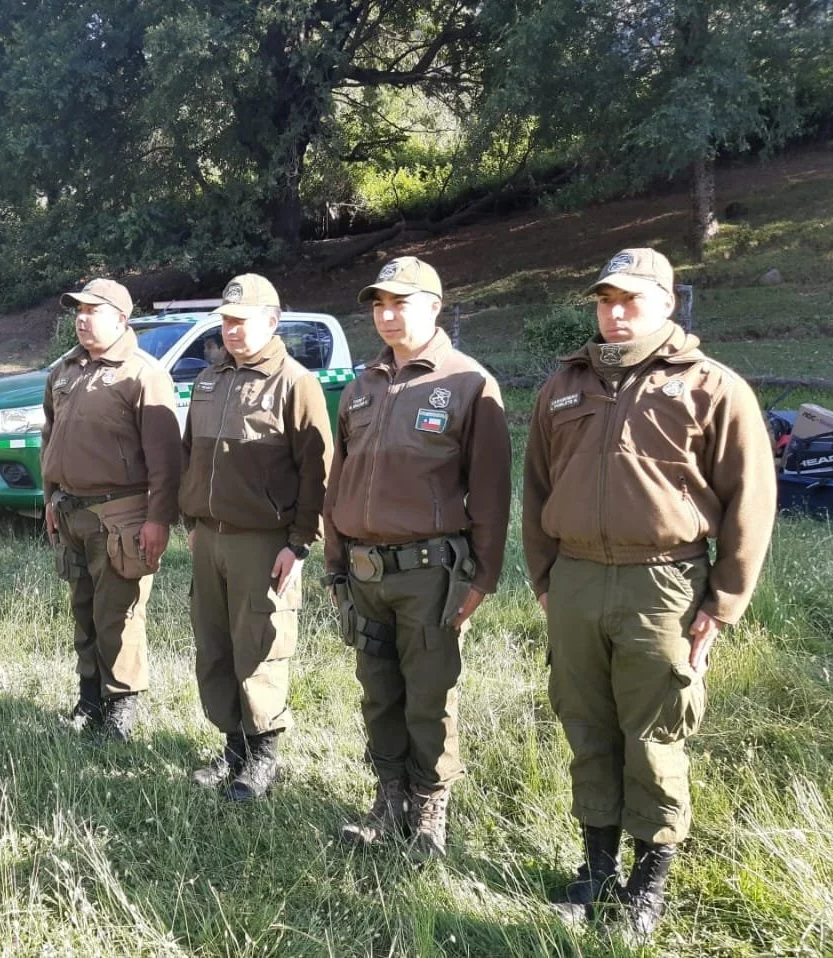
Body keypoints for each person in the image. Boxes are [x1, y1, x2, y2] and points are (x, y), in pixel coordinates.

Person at [522, 248, 775, 939]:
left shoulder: (711, 387)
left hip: (664, 584)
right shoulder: (564, 386)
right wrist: (544, 577)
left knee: (656, 735)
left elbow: (751, 499)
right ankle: (595, 874)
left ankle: (647, 886)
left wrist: (722, 602)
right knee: (587, 727)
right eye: (606, 300)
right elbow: (537, 486)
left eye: (631, 299)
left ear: (667, 302)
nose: (616, 312)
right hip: (574, 581)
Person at [324, 257, 511, 859]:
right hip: (363, 571)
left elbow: (489, 491)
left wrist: (482, 577)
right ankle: (389, 797)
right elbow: (339, 481)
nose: (386, 314)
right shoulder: (362, 386)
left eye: (400, 303)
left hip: (431, 572)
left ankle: (430, 808)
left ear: (434, 306)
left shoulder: (468, 384)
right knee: (378, 690)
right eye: (379, 304)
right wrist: (335, 561)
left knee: (429, 693)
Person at [179, 274, 332, 801]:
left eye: (242, 321)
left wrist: (300, 542)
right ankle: (233, 749)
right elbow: (189, 456)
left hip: (264, 541)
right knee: (215, 644)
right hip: (209, 538)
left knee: (261, 646)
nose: (232, 330)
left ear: (272, 321)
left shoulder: (294, 382)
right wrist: (191, 522)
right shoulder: (209, 379)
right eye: (226, 321)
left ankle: (264, 756)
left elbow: (318, 471)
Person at [43, 278, 182, 742]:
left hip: (121, 516)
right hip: (70, 510)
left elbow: (166, 460)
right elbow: (49, 438)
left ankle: (121, 706)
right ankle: (89, 698)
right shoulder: (64, 370)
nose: (81, 319)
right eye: (77, 311)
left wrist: (158, 520)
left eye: (92, 311)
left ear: (121, 319)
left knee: (117, 614)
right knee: (82, 608)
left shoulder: (143, 374)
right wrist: (49, 500)